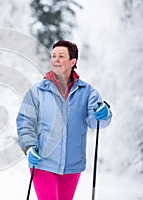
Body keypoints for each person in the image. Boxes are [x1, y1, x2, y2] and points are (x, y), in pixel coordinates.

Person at [16, 40, 112, 200]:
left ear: (73, 62)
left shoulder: (87, 92)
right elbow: (25, 122)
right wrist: (29, 147)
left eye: (61, 56)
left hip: (72, 164)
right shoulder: (37, 91)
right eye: (53, 56)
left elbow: (95, 121)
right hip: (43, 162)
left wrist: (103, 114)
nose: (55, 60)